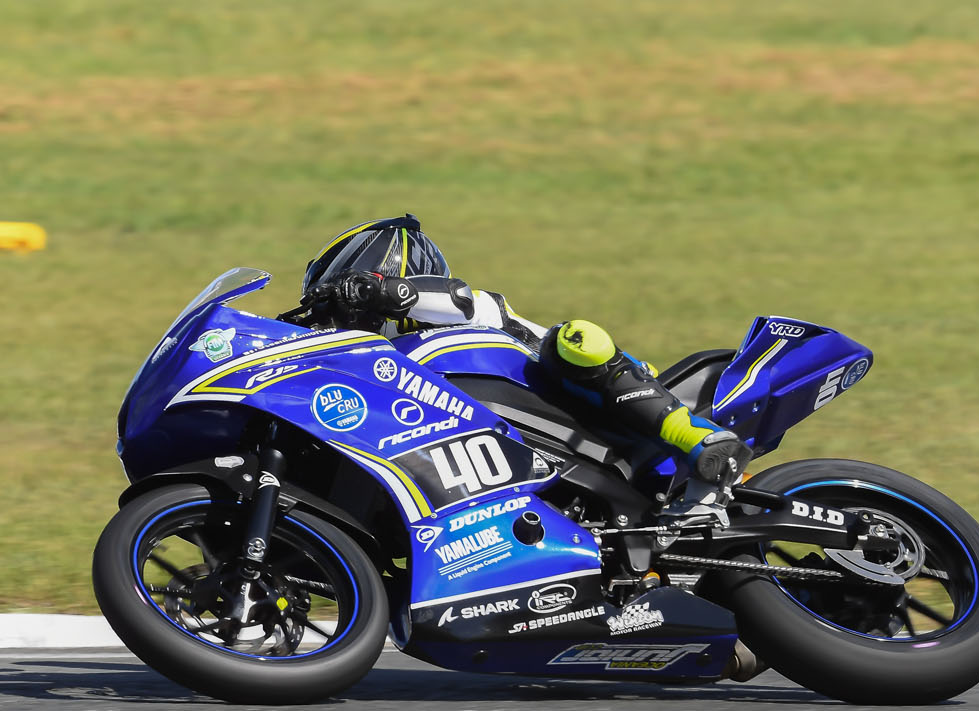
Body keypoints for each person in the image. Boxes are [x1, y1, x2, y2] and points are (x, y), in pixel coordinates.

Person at [300, 214, 752, 519]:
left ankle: (701, 440)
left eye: (342, 296)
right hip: (520, 453)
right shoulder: (386, 367)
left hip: (597, 406)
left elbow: (457, 300)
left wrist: (378, 290)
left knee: (575, 338)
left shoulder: (461, 310)